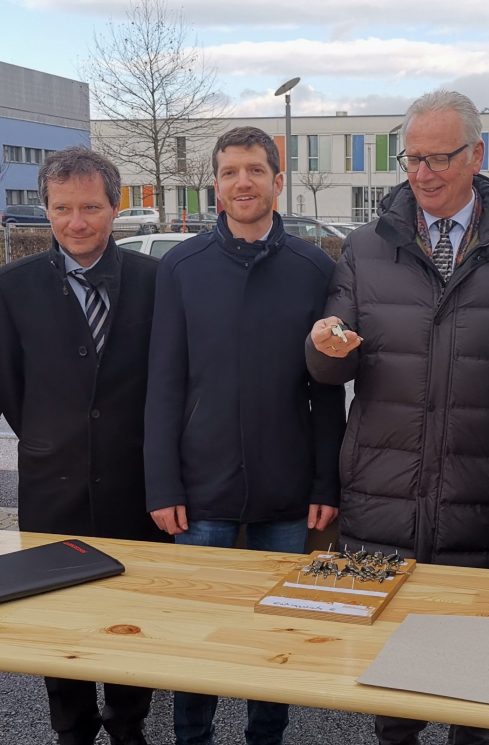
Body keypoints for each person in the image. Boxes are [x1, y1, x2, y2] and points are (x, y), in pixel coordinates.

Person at [306, 89, 489, 745]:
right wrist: (323, 347)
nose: (422, 173)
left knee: (473, 675)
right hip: (381, 491)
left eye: (438, 158)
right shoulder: (365, 248)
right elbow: (331, 362)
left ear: (476, 155)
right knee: (390, 681)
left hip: (478, 493)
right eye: (412, 158)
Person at [144, 126, 345, 745]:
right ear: (215, 184)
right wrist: (162, 483)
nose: (243, 183)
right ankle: (191, 738)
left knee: (274, 636)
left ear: (278, 181)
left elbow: (326, 391)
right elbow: (164, 383)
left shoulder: (314, 268)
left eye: (255, 170)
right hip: (200, 491)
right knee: (195, 637)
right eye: (230, 172)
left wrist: (325, 482)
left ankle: (267, 738)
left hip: (286, 492)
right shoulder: (181, 267)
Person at [0, 146, 164, 744]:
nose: (76, 222)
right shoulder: (13, 287)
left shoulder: (154, 281)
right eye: (62, 208)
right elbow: (11, 385)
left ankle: (128, 722)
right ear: (46, 209)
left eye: (90, 207)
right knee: (57, 613)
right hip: (54, 484)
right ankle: (71, 727)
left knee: (130, 610)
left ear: (115, 208)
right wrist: (53, 436)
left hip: (134, 482)